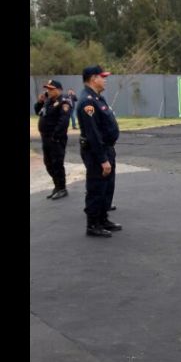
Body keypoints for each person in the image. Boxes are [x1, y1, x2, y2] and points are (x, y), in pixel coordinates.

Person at [77, 65, 122, 237]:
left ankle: (103, 219)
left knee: (107, 187)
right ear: (93, 78)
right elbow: (93, 134)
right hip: (97, 152)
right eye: (102, 77)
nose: (105, 80)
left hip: (107, 149)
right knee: (97, 187)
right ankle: (93, 224)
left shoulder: (97, 98)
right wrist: (103, 159)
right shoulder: (88, 101)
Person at [35, 80, 71, 200]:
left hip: (55, 138)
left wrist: (55, 136)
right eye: (47, 89)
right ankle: (57, 186)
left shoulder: (63, 101)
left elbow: (64, 121)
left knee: (57, 163)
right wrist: (39, 102)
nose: (48, 91)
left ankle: (62, 188)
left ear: (58, 89)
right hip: (45, 137)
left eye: (51, 89)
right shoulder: (48, 101)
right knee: (48, 163)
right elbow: (39, 112)